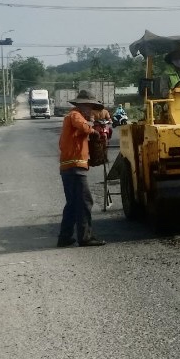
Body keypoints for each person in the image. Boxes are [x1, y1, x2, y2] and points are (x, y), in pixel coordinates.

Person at [56, 90, 107, 248]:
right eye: (90, 106)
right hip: (75, 167)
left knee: (72, 203)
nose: (91, 110)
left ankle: (65, 237)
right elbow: (84, 128)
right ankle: (85, 237)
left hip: (69, 167)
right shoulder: (75, 115)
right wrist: (94, 132)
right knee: (85, 202)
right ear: (83, 105)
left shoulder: (72, 116)